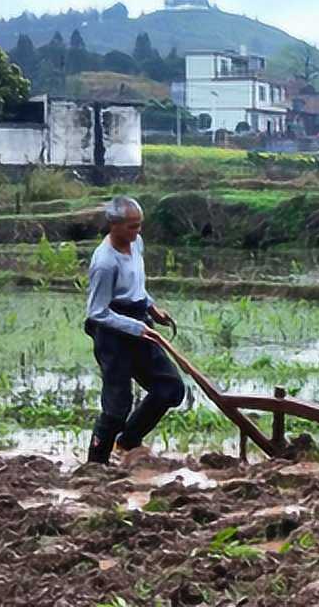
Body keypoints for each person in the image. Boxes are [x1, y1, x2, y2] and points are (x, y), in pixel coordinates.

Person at [84, 196, 184, 464]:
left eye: (139, 225)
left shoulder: (136, 243)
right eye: (131, 226)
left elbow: (136, 287)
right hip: (112, 334)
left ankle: (128, 441)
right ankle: (95, 464)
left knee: (170, 388)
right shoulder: (105, 262)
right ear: (113, 225)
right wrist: (135, 326)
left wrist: (152, 309)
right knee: (116, 408)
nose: (137, 231)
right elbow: (97, 312)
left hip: (139, 323)